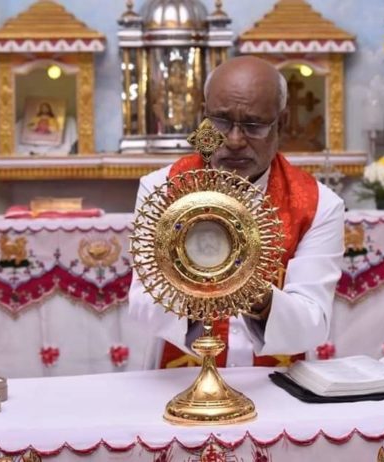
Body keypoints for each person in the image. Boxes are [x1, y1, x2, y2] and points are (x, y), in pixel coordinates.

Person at [128, 56, 345, 369]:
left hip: (273, 385)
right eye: (221, 121)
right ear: (205, 117)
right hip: (181, 378)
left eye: (253, 125)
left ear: (281, 123)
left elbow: (313, 321)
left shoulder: (318, 204)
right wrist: (201, 284)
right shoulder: (163, 189)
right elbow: (141, 302)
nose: (234, 140)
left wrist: (255, 294)